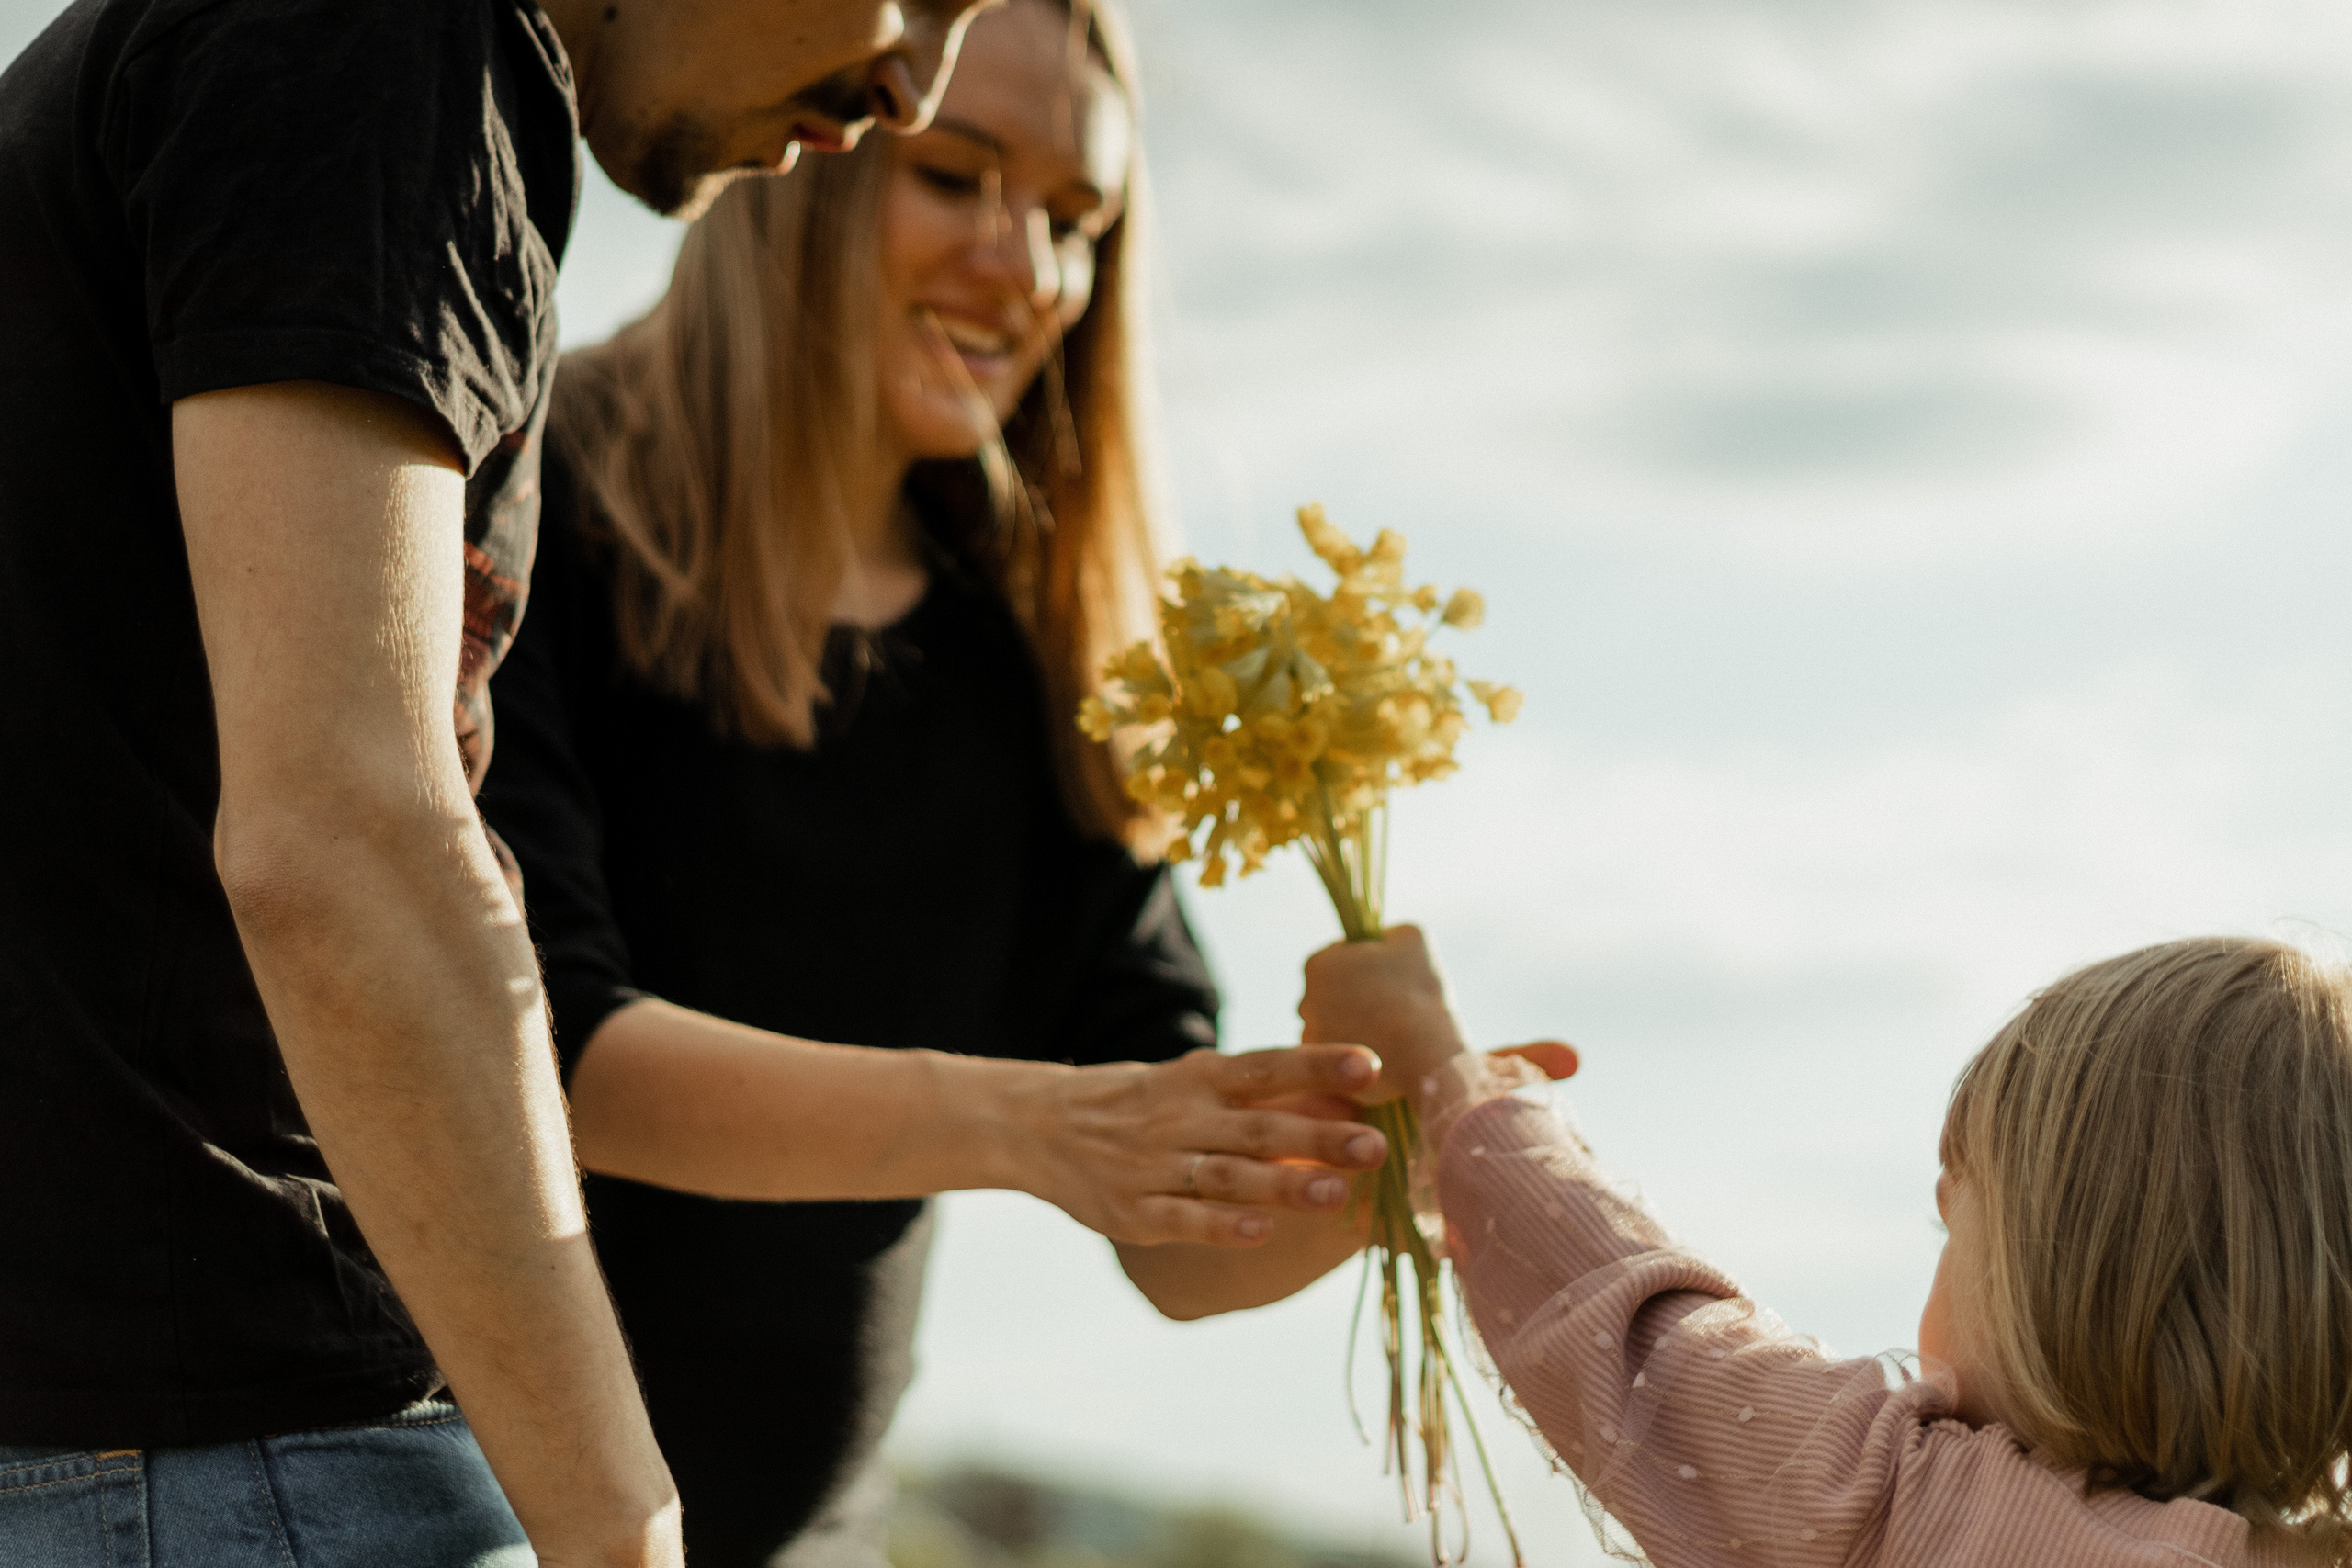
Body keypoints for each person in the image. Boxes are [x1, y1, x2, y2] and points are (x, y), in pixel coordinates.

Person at [0, 1, 998, 1563]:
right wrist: (623, 1528)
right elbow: (349, 836)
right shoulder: (385, 47)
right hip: (228, 1463)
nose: (911, 85)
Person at [474, 3, 1450, 1562]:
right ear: (812, 136)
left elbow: (1173, 1238)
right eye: (958, 176)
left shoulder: (1030, 647)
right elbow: (539, 1053)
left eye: (1078, 222)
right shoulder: (525, 495)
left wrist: (1400, 1155)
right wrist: (1030, 1124)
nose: (1029, 268)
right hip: (465, 1520)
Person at [1303, 928, 2352, 1566]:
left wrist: (1435, 1057)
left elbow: (1631, 1319)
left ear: (2056, 1269)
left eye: (1952, 1220)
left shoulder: (1906, 1514)